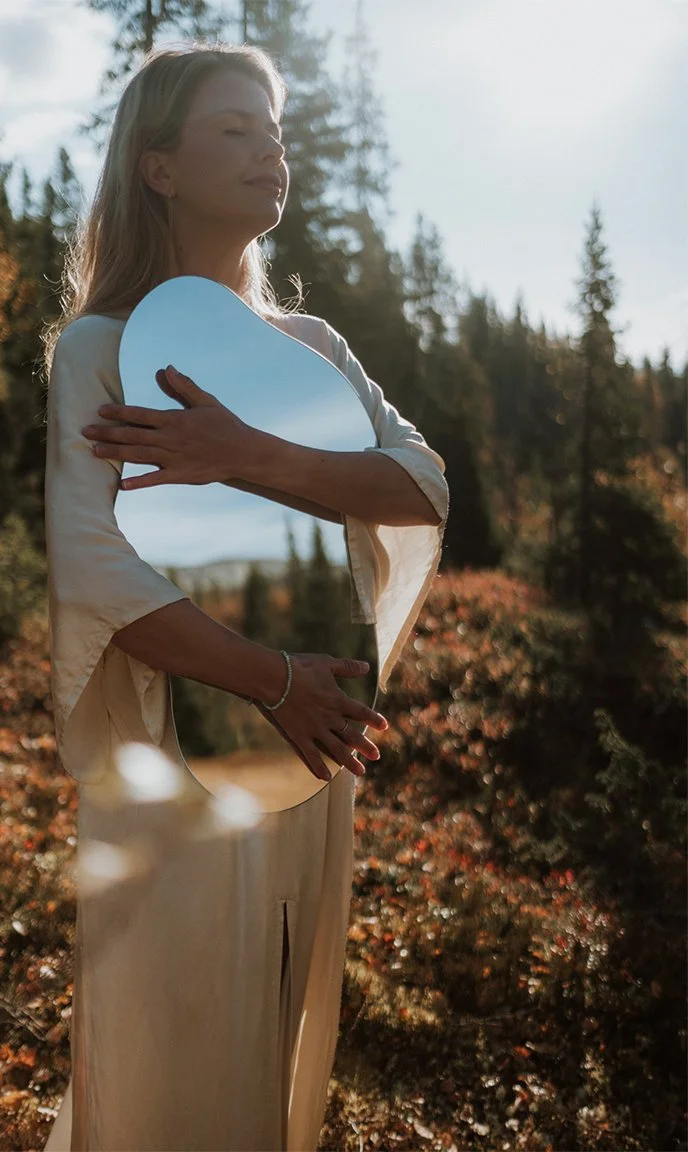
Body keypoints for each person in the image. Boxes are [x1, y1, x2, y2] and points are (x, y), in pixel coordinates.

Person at [41, 42, 449, 1152]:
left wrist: (244, 452)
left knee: (275, 1012)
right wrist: (269, 681)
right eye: (235, 127)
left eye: (276, 127)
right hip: (178, 747)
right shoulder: (103, 348)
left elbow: (422, 486)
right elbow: (95, 564)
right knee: (175, 1035)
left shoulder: (312, 349)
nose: (271, 146)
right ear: (159, 167)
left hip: (308, 736)